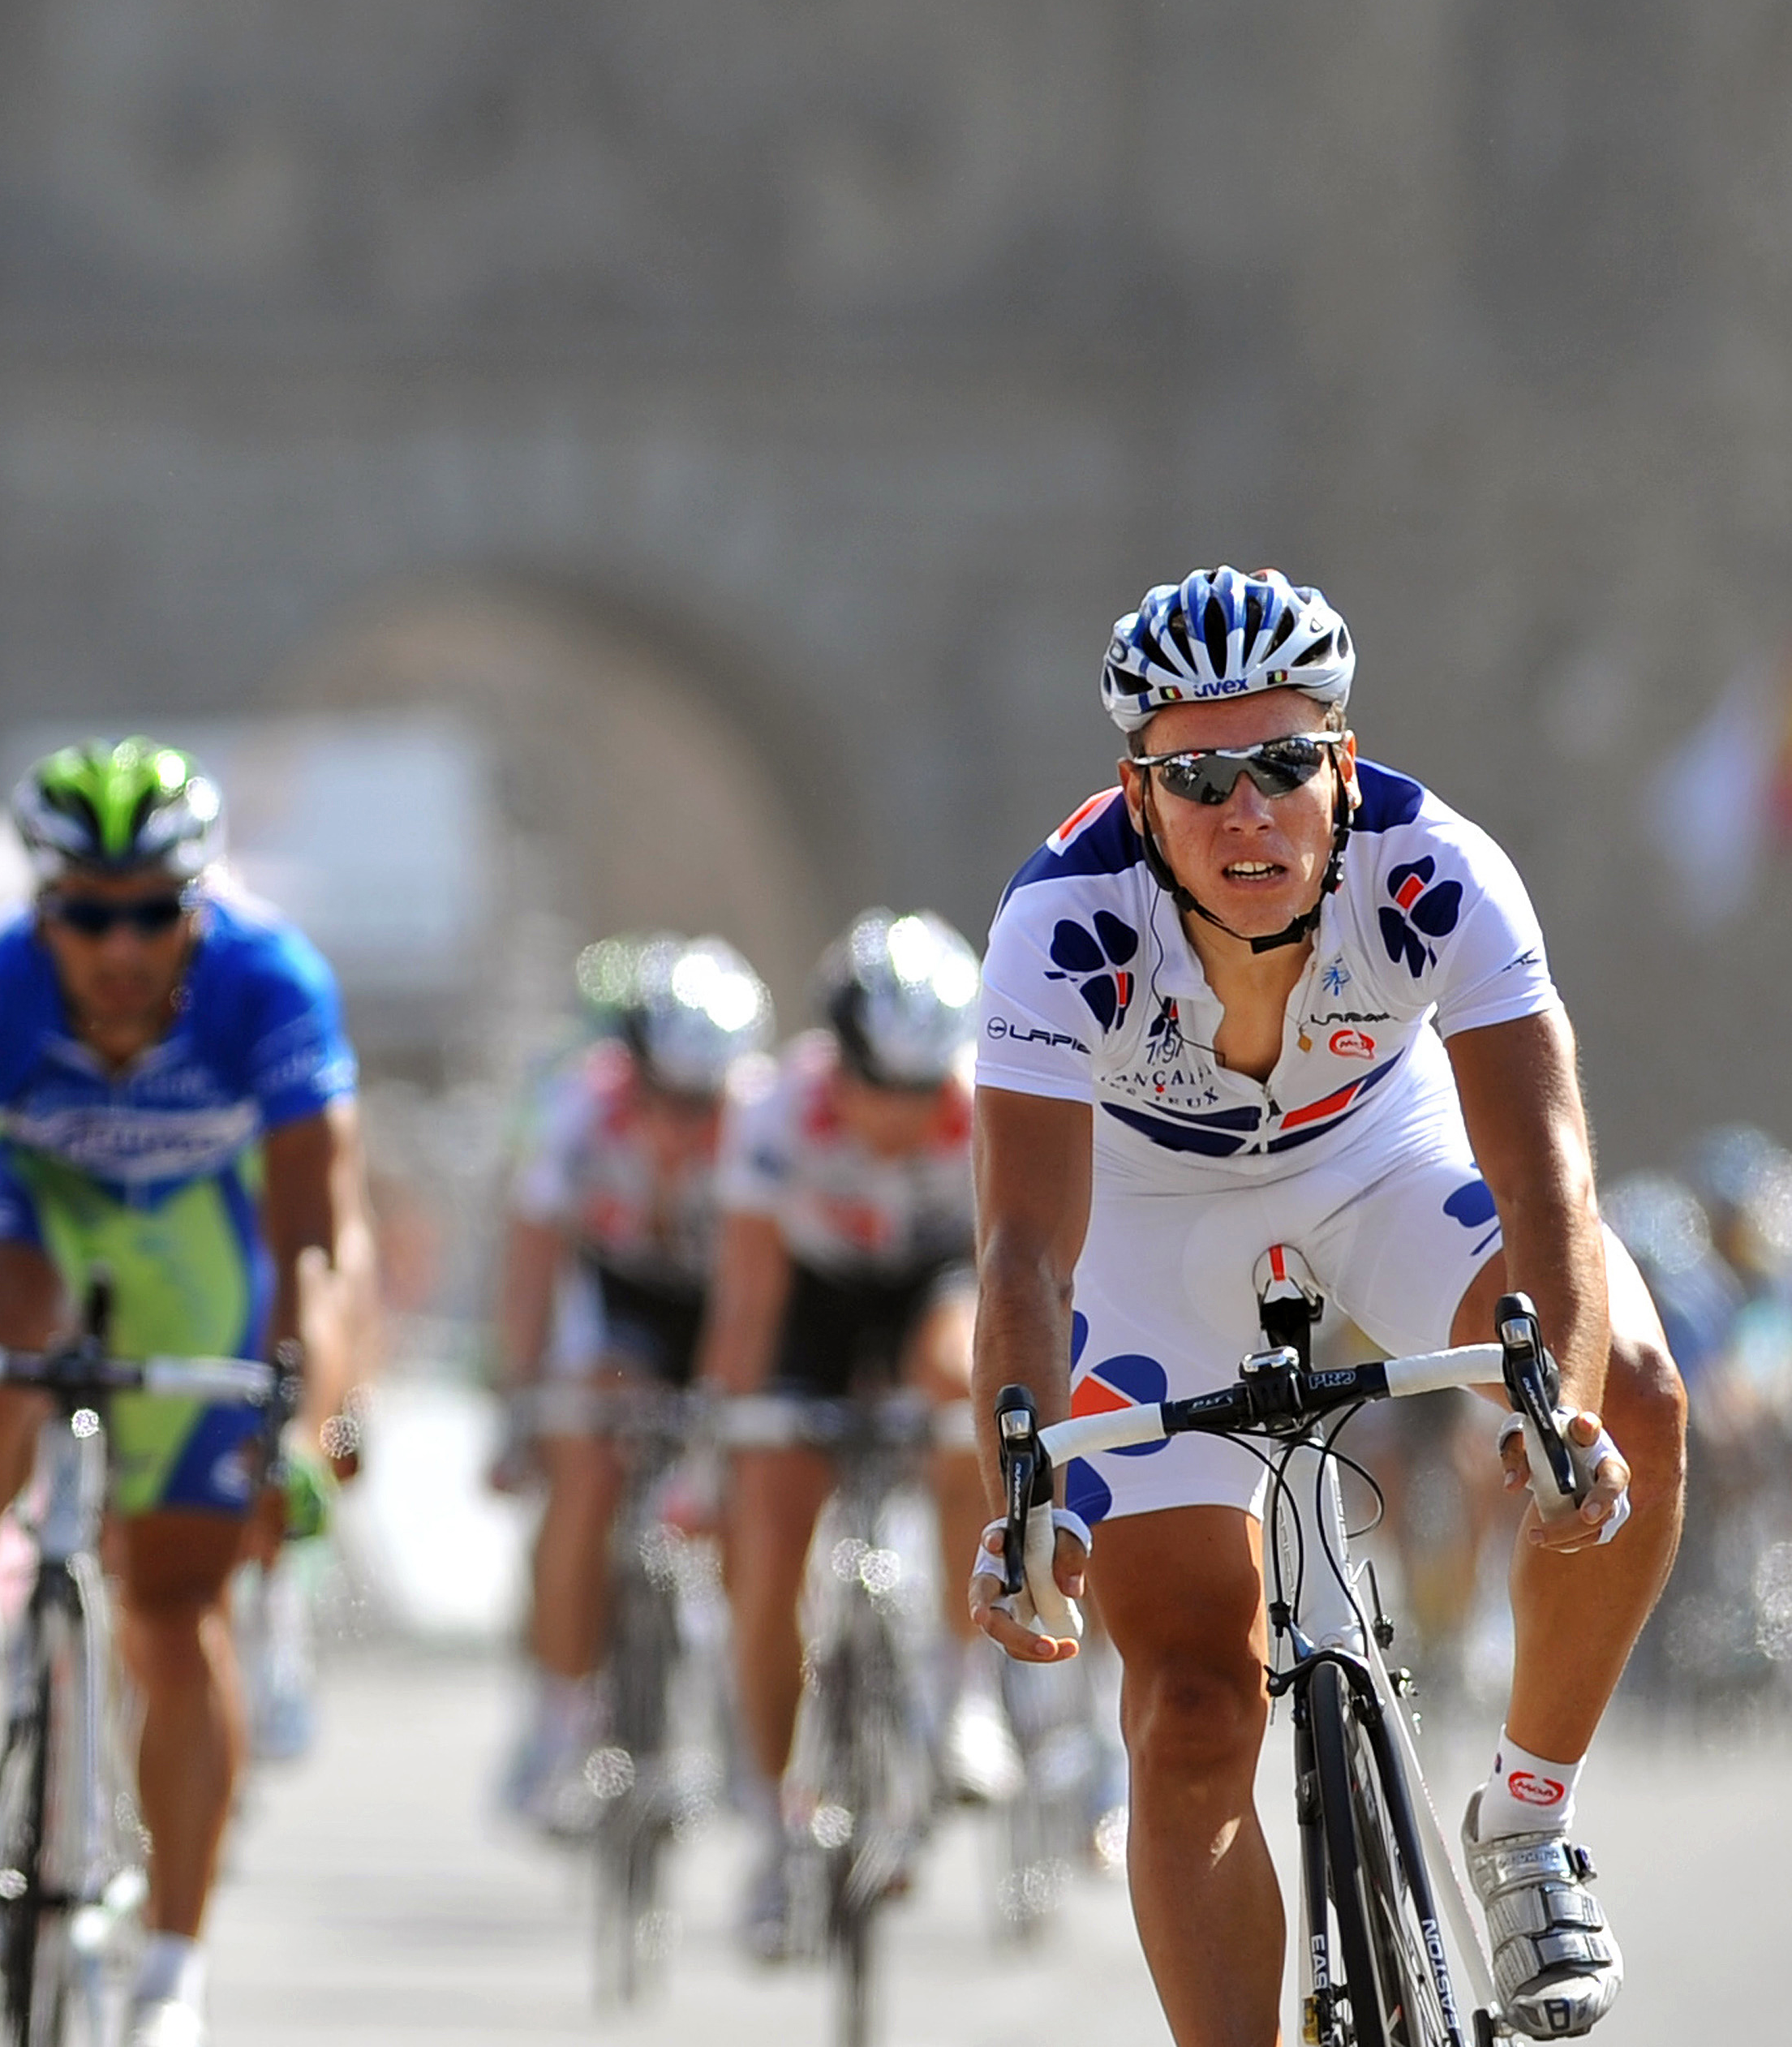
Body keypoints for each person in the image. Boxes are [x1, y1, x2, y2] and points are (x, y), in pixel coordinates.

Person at [968, 566, 1682, 2045]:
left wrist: (1564, 1412)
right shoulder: (1058, 924)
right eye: (1200, 776)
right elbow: (1027, 1249)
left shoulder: (1435, 870)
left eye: (1284, 762)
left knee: (1643, 1395)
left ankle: (1530, 1822)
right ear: (1139, 796)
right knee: (1190, 1707)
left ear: (1340, 765)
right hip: (1147, 1226)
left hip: (1383, 1160)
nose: (1248, 809)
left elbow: (1540, 1167)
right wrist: (1022, 1503)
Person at [0, 738, 370, 2047]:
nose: (118, 947)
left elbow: (316, 1241)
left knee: (179, 1611)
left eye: (150, 914)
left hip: (201, 1233)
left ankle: (173, 1967)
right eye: (84, 913)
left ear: (198, 906)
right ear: (41, 905)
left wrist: (303, 1416)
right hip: (38, 1213)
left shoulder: (269, 980)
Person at [700, 907, 1002, 1951]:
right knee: (769, 1529)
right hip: (813, 1300)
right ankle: (771, 1819)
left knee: (959, 1392)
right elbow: (744, 1296)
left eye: (925, 1092)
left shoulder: (981, 1110)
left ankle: (962, 1695)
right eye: (884, 1089)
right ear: (842, 1062)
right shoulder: (776, 1111)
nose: (902, 1115)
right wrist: (716, 1454)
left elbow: (1022, 1276)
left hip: (932, 1284)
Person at [486, 931, 772, 1832]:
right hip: (625, 1305)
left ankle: (739, 1693)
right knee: (584, 1468)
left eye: (705, 1101)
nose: (685, 1123)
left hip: (735, 1296)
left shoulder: (764, 1119)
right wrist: (519, 1403)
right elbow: (532, 1266)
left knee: (747, 1487)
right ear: (630, 1069)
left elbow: (760, 1296)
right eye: (665, 1097)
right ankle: (559, 1711)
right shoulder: (578, 1109)